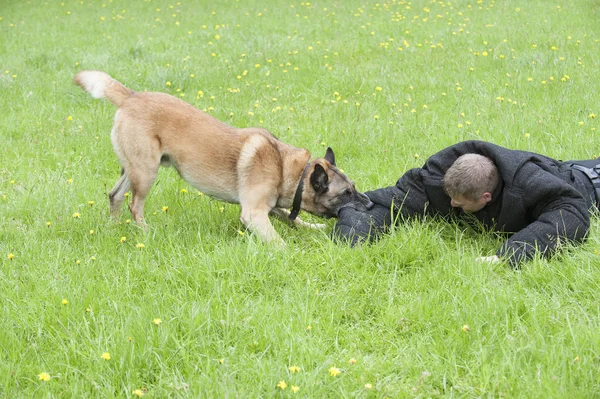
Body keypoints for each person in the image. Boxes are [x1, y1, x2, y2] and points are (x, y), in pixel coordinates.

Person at [333, 140, 600, 267]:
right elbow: (393, 201)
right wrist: (351, 228)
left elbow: (571, 214)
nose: (451, 204)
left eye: (459, 205)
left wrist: (508, 254)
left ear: (485, 198)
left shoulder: (527, 184)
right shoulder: (443, 175)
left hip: (585, 184)